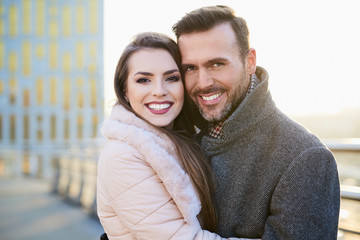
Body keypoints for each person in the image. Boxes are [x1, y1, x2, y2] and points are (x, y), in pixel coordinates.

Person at [172, 5, 340, 240]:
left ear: (250, 61)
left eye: (216, 64)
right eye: (190, 68)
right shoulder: (175, 139)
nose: (203, 82)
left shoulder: (304, 157)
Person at [96, 32, 256, 240]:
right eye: (144, 80)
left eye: (171, 78)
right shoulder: (122, 156)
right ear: (125, 90)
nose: (159, 91)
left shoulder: (178, 141)